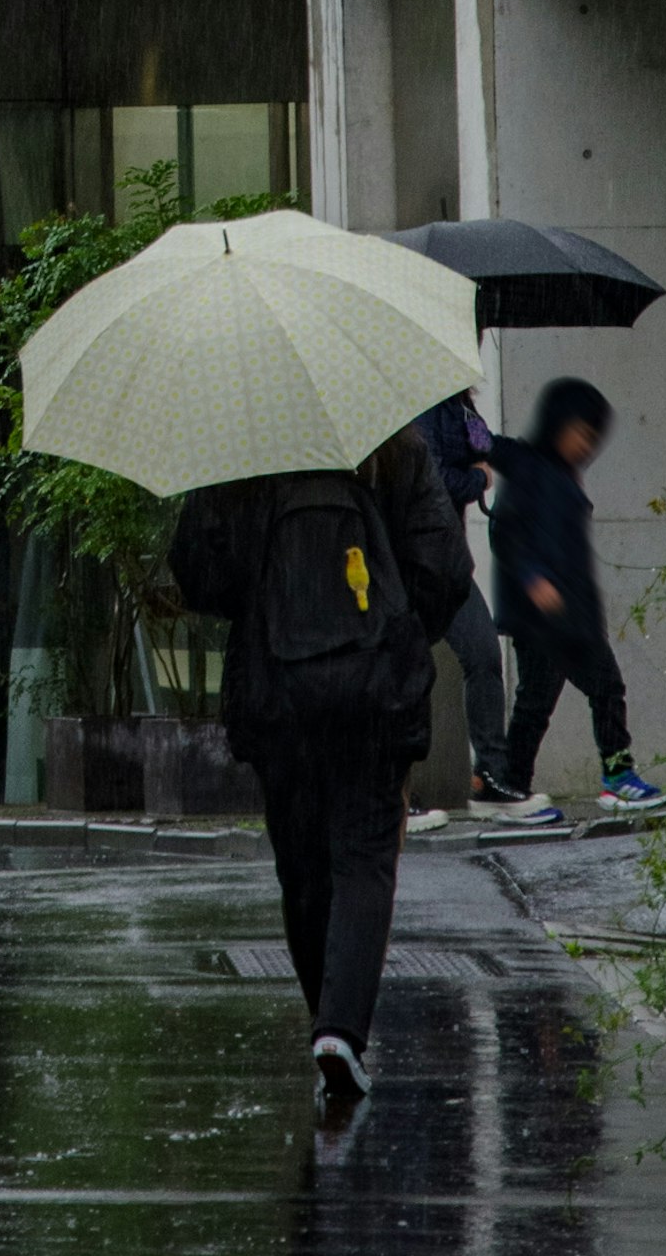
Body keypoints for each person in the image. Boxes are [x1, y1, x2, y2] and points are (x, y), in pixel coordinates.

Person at [172, 416, 469, 1121]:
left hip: (281, 697)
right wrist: (391, 627)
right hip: (372, 696)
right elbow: (445, 570)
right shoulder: (394, 450)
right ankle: (340, 1029)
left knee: (302, 867)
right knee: (364, 859)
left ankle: (324, 1022)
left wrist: (266, 601)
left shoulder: (241, 456)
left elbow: (197, 574)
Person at [488, 373, 665, 813]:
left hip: (574, 616)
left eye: (593, 439)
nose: (586, 446)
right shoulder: (529, 468)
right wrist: (534, 580)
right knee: (539, 703)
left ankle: (610, 775)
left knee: (601, 689)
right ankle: (515, 787)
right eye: (580, 434)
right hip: (542, 617)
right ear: (557, 424)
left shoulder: (561, 475)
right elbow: (508, 533)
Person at [420, 389, 544, 831]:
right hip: (415, 559)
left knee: (483, 655)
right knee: (404, 673)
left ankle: (490, 778)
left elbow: (482, 442)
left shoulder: (455, 404)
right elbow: (431, 478)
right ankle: (395, 792)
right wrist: (479, 480)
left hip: (445, 559)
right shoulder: (425, 404)